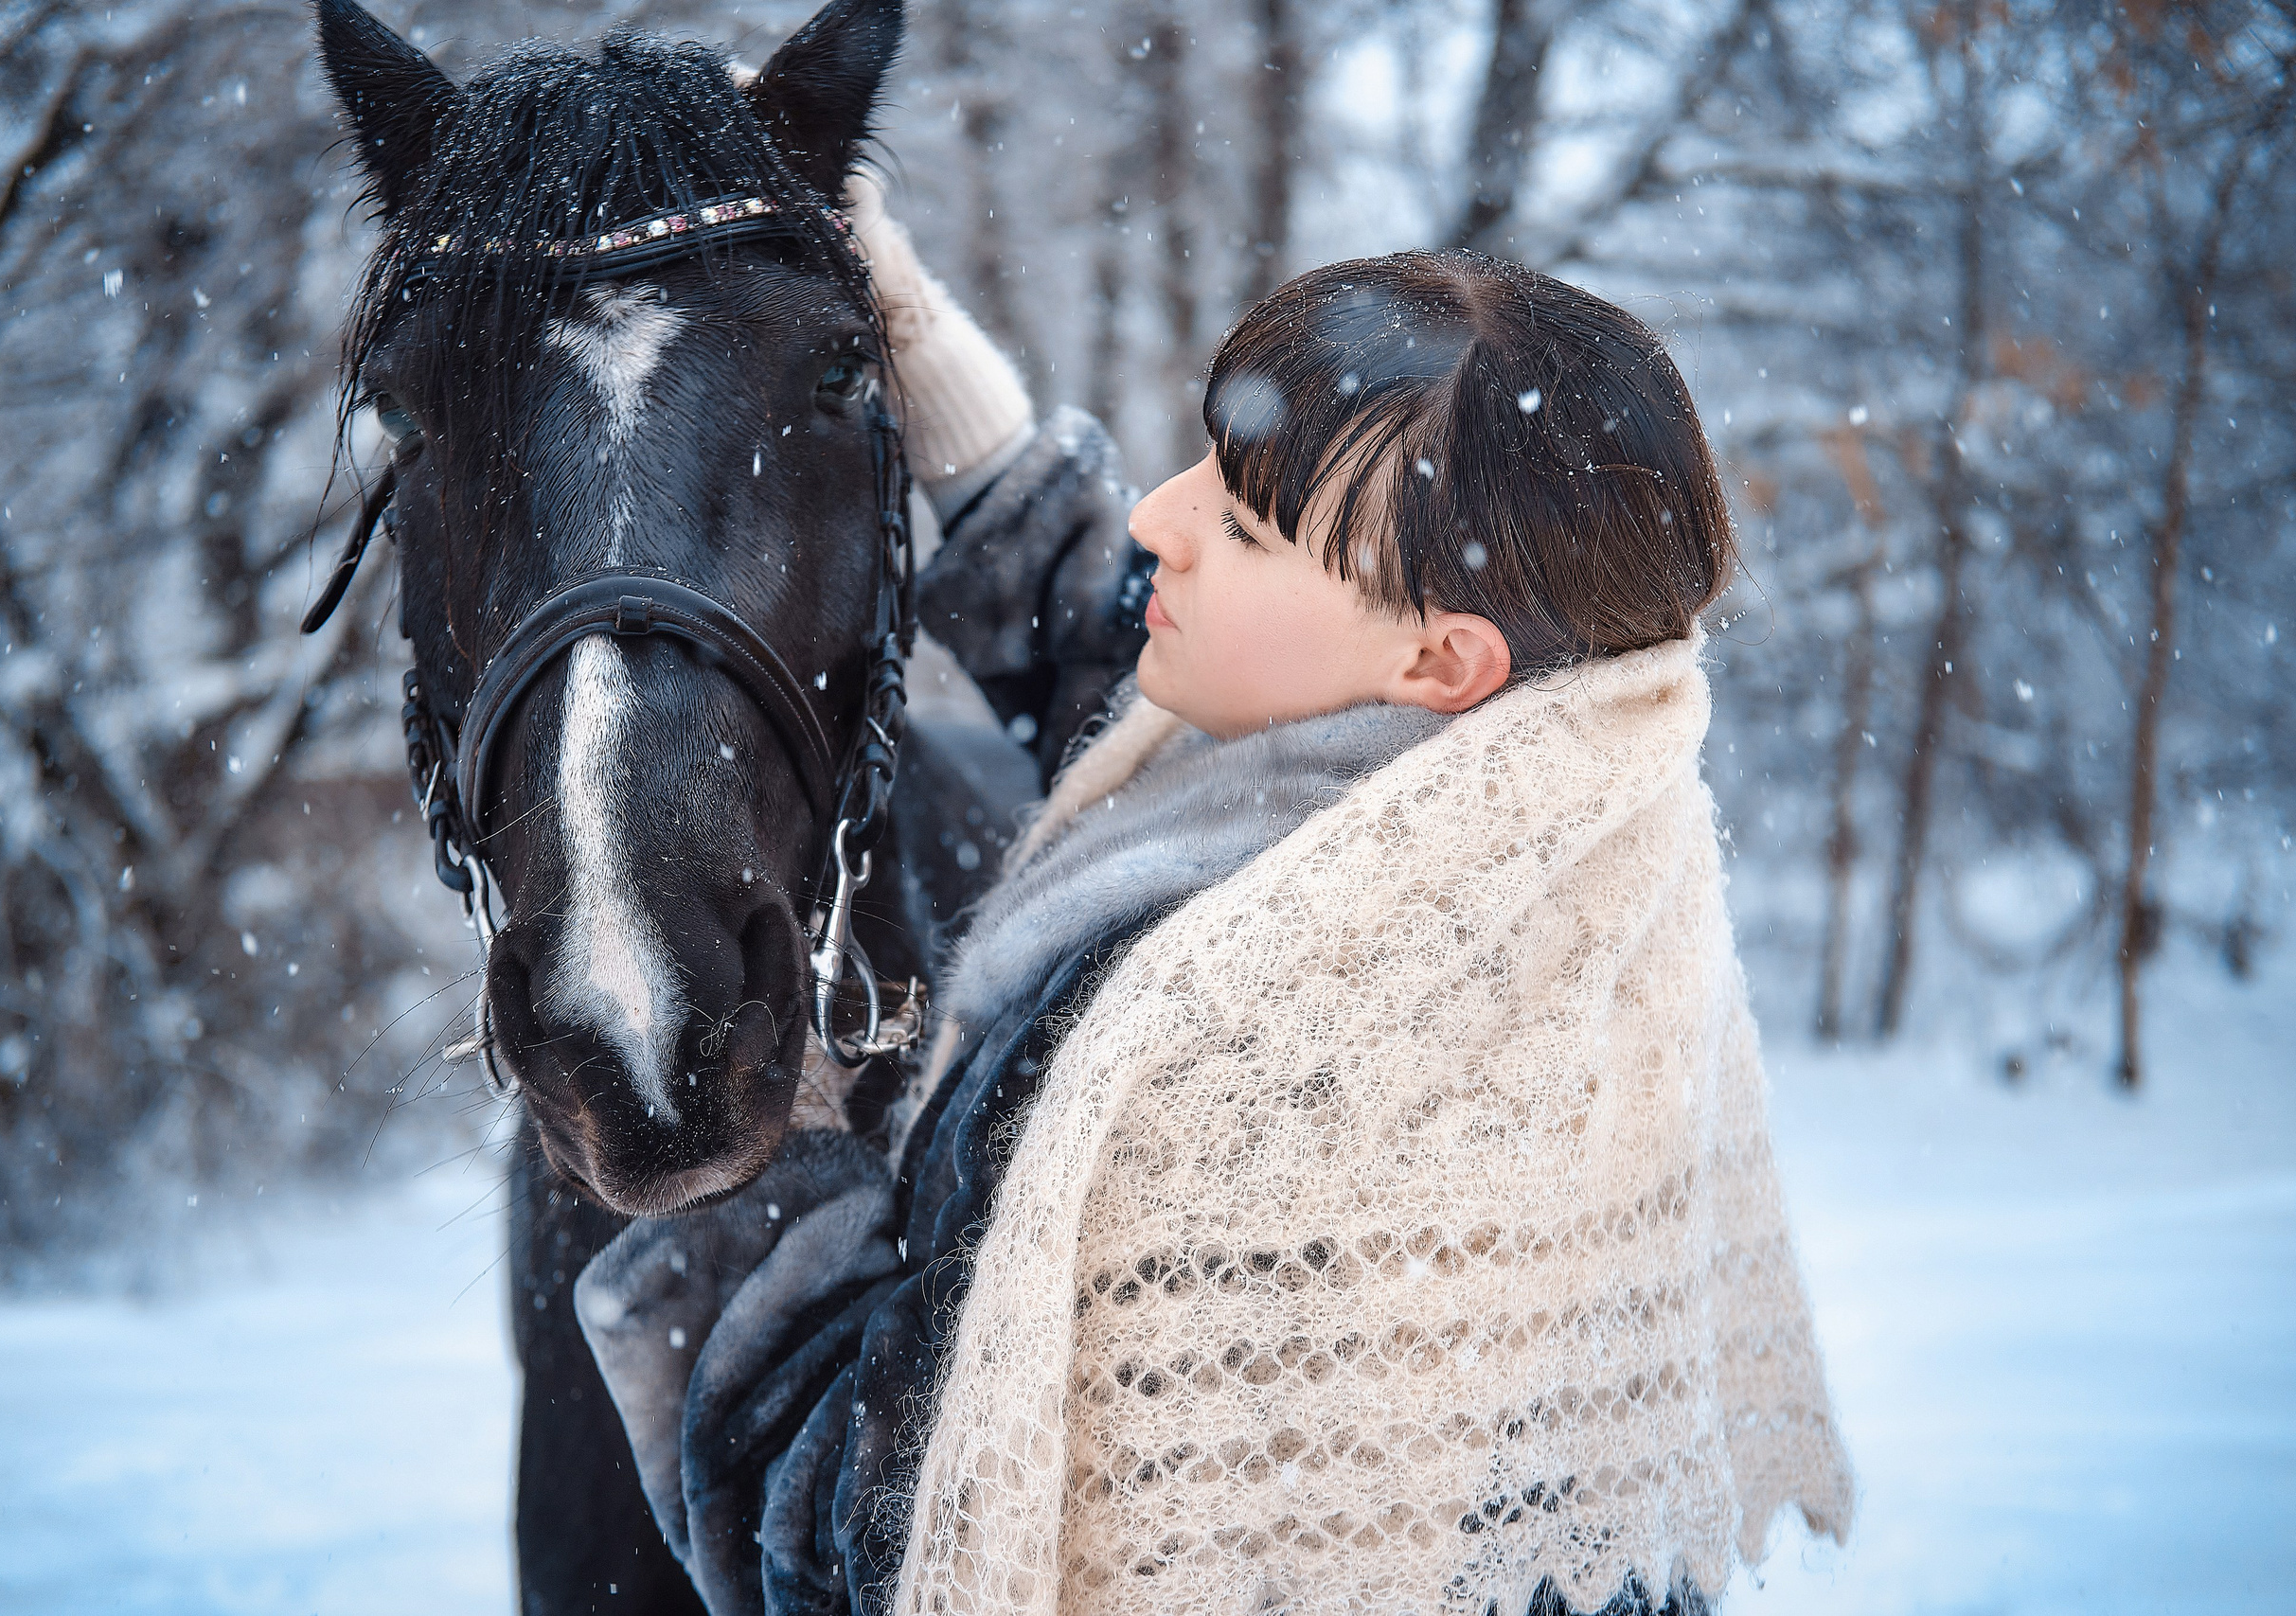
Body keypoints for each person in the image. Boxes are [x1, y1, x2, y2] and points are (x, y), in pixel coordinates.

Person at [574, 175, 1855, 1616]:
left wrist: (762, 1150)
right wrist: (917, 338)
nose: (1156, 521)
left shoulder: (1249, 1072)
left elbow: (871, 1534)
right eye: (1202, 464)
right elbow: (1108, 668)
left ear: (1441, 663)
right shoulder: (1510, 837)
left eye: (1241, 530)